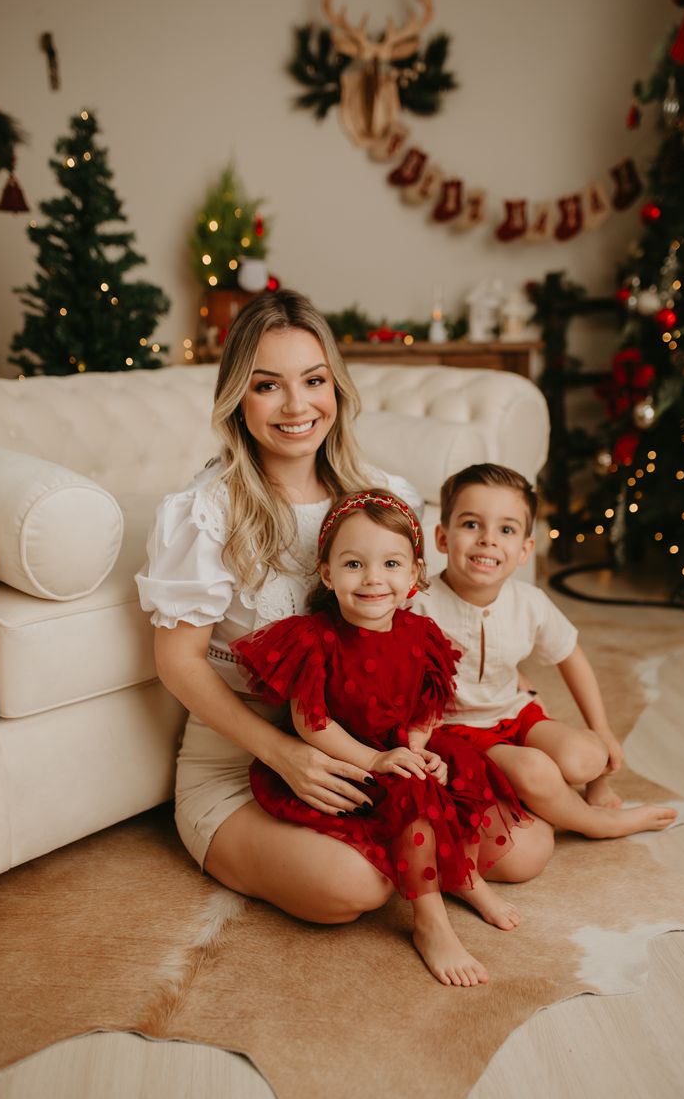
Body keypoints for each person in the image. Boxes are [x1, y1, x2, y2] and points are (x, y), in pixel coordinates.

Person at [136, 290, 553, 937]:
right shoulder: (206, 510)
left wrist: (433, 734)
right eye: (267, 385)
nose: (297, 406)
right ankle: (398, 868)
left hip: (370, 749)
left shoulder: (379, 498)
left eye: (313, 380)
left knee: (527, 853)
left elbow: (409, 642)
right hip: (244, 762)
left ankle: (417, 859)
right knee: (353, 887)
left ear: (337, 386)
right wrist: (285, 752)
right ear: (237, 399)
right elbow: (176, 661)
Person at [231, 489, 539, 987]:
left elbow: (426, 707)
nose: (374, 578)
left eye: (391, 563)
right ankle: (431, 922)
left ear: (415, 574)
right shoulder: (315, 638)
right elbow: (313, 724)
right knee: (411, 793)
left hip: (398, 750)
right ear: (328, 574)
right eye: (354, 564)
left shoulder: (421, 634)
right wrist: (377, 761)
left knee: (450, 770)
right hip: (346, 761)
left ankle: (464, 877)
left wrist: (418, 751)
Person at [412, 462, 679, 839]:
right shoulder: (419, 605)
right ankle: (595, 823)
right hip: (457, 730)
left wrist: (601, 729)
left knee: (586, 756)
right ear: (442, 537)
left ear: (524, 550)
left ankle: (587, 788)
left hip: (514, 712)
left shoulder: (529, 601)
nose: (488, 539)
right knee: (536, 770)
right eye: (471, 524)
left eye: (506, 529)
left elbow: (571, 656)